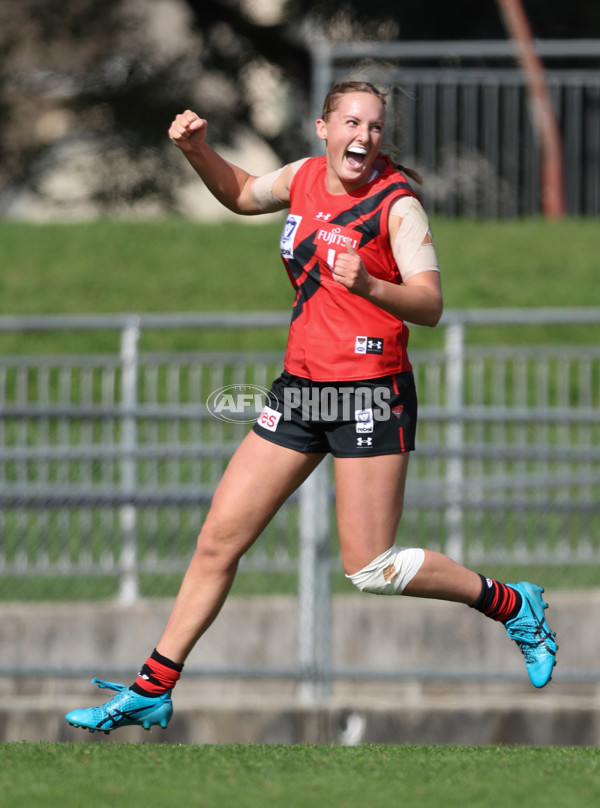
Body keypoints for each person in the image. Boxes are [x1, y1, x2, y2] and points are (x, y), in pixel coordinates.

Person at [65, 80, 557, 734]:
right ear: (323, 128)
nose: (363, 136)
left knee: (371, 568)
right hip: (299, 389)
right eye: (351, 122)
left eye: (375, 126)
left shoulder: (397, 205)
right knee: (218, 539)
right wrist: (196, 150)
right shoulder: (301, 176)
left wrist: (372, 283)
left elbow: (432, 305)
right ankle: (152, 687)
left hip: (371, 394)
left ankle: (511, 604)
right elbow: (241, 194)